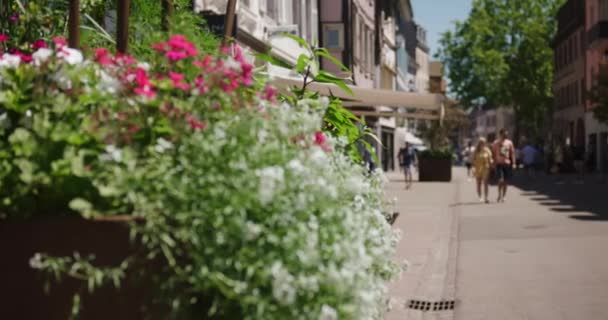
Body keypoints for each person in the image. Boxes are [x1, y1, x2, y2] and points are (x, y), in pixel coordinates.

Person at [492, 129, 515, 203]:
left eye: (506, 135)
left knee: (505, 181)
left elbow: (512, 153)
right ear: (500, 134)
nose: (506, 136)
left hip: (507, 163)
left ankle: (504, 196)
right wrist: (493, 162)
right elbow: (493, 153)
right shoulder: (496, 142)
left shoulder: (509, 142)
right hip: (499, 163)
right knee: (500, 180)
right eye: (504, 134)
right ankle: (499, 194)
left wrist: (514, 163)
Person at [473, 138, 493, 203]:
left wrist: (491, 161)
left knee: (486, 183)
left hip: (485, 168)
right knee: (479, 183)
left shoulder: (487, 150)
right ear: (479, 143)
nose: (482, 143)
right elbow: (473, 160)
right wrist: (473, 168)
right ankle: (480, 197)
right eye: (481, 142)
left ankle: (486, 198)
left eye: (483, 142)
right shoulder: (476, 150)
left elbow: (490, 158)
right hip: (478, 168)